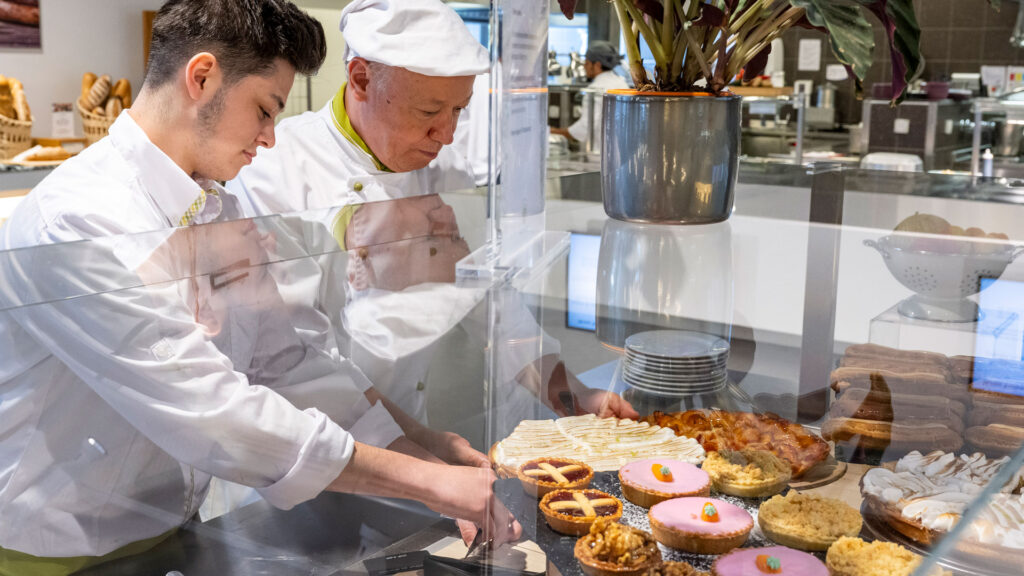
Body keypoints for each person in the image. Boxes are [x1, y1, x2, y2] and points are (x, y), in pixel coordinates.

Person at [0, 1, 516, 574]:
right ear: (201, 78)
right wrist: (427, 481)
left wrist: (415, 444)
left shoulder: (217, 205)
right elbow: (211, 410)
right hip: (51, 552)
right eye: (264, 110)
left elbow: (285, 361)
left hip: (171, 529)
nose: (270, 138)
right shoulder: (79, 220)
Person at [229, 0, 637, 426]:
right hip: (318, 439)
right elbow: (294, 364)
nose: (446, 135)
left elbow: (488, 298)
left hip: (409, 428)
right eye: (427, 111)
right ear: (361, 79)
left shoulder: (445, 166)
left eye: (458, 110)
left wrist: (571, 394)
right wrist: (412, 451)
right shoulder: (273, 171)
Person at [550, 40, 629, 145]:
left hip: (600, 150)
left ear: (597, 65)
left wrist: (553, 131)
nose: (584, 67)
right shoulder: (622, 83)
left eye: (587, 63)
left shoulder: (595, 89)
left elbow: (584, 128)